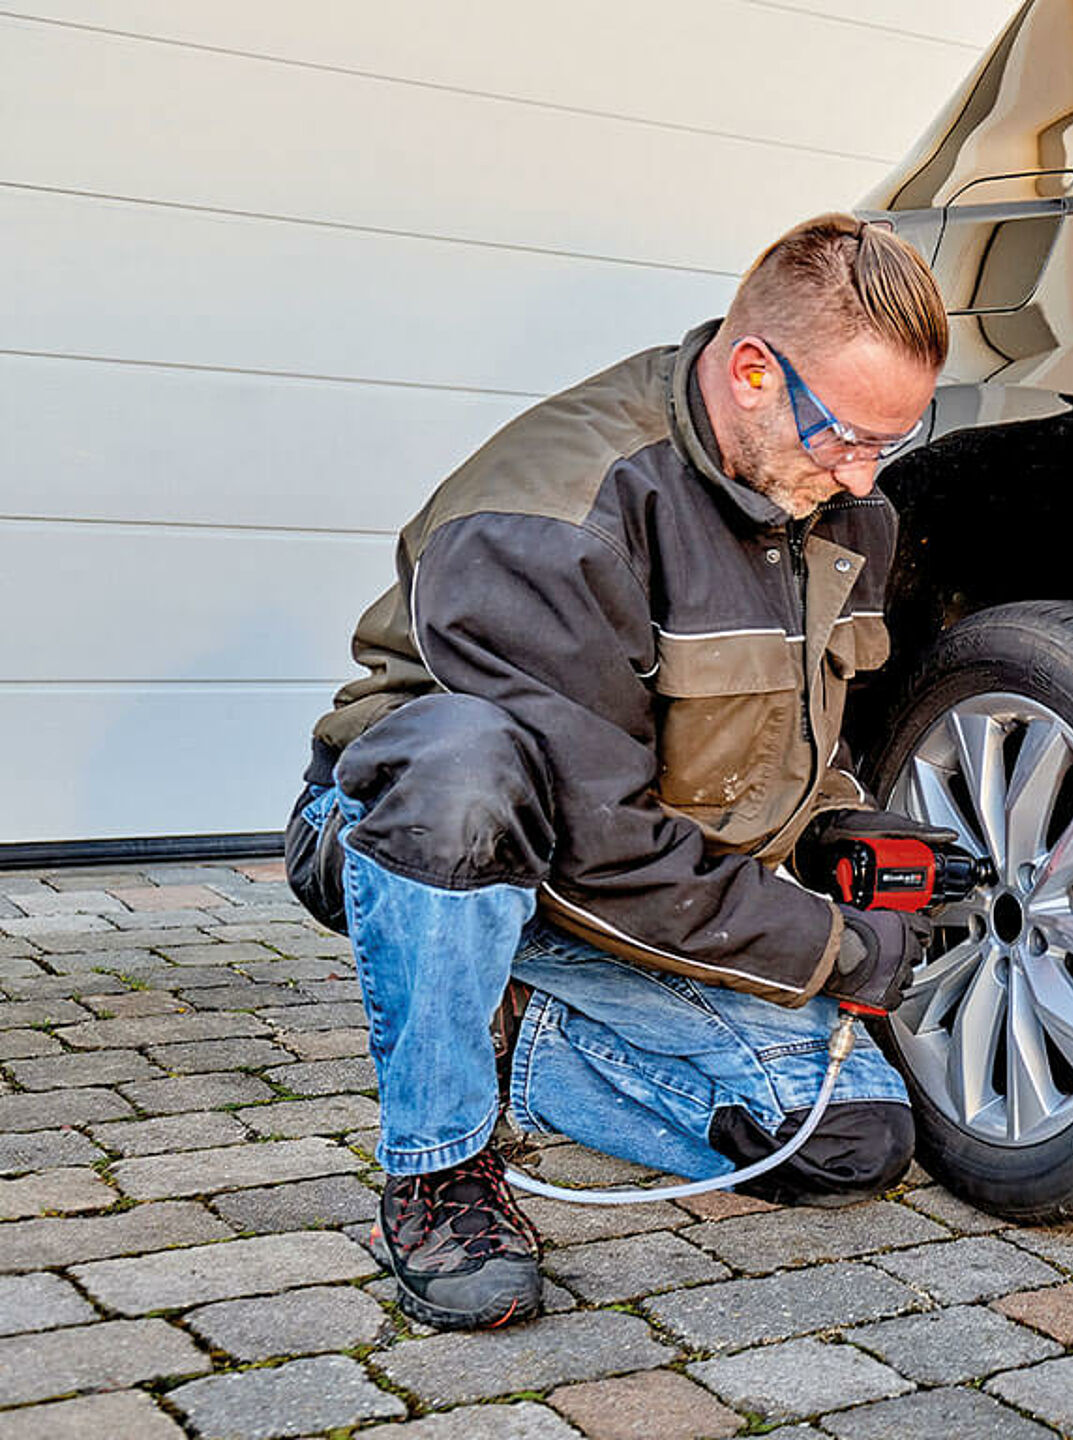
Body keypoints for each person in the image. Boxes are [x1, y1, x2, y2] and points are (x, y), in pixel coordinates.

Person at [283, 214, 950, 1330]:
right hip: (426, 843)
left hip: (624, 874)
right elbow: (598, 844)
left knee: (847, 1142)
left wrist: (842, 831)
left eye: (893, 437)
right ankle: (439, 1166)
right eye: (845, 435)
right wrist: (833, 950)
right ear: (751, 372)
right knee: (462, 764)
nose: (863, 473)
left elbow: (793, 741)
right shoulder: (550, 520)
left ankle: (507, 1023)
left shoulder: (839, 508)